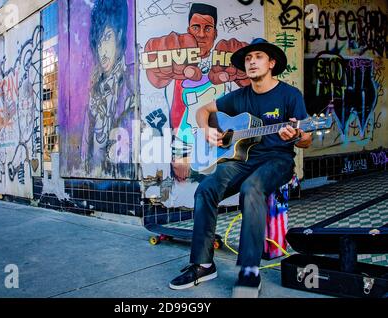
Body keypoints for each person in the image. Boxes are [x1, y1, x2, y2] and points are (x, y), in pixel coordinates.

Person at [169, 38, 313, 298]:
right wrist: (208, 130)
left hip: (277, 160)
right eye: (248, 58)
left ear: (271, 63)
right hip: (242, 159)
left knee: (252, 189)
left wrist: (297, 135)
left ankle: (249, 269)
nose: (252, 62)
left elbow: (307, 140)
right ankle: (203, 264)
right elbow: (203, 111)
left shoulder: (290, 95)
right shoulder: (239, 96)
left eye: (258, 57)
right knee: (206, 188)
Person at [143, 3, 249, 182]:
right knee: (185, 183)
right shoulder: (176, 63)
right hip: (184, 142)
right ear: (188, 30)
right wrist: (158, 64)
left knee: (217, 184)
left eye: (208, 28)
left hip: (219, 139)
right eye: (196, 27)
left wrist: (245, 68)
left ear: (215, 33)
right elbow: (157, 81)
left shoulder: (225, 62)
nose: (201, 34)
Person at [81, 0, 135, 178]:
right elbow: (86, 150)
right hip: (97, 178)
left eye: (107, 38)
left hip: (124, 174)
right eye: (98, 42)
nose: (102, 51)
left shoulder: (131, 84)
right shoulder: (95, 93)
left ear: (119, 35)